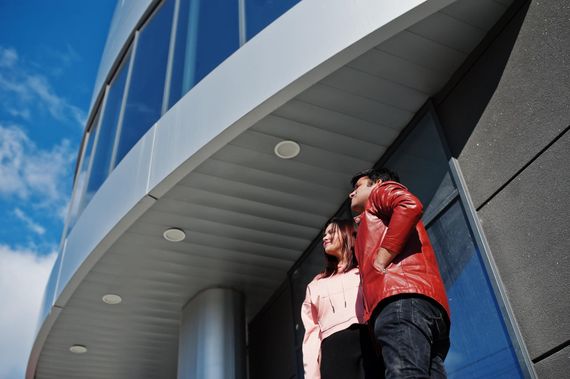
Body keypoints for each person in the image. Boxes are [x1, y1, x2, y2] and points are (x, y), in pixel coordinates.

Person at [349, 168, 451, 379]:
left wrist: (384, 254)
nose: (351, 193)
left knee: (405, 374)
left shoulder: (379, 194)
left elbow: (409, 204)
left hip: (400, 300)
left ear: (376, 183)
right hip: (422, 304)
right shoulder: (368, 222)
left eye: (357, 187)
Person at [301, 218, 383, 379]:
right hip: (333, 352)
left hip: (368, 342)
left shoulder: (365, 271)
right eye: (324, 235)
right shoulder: (315, 285)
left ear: (347, 233)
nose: (325, 238)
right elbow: (311, 335)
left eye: (331, 232)